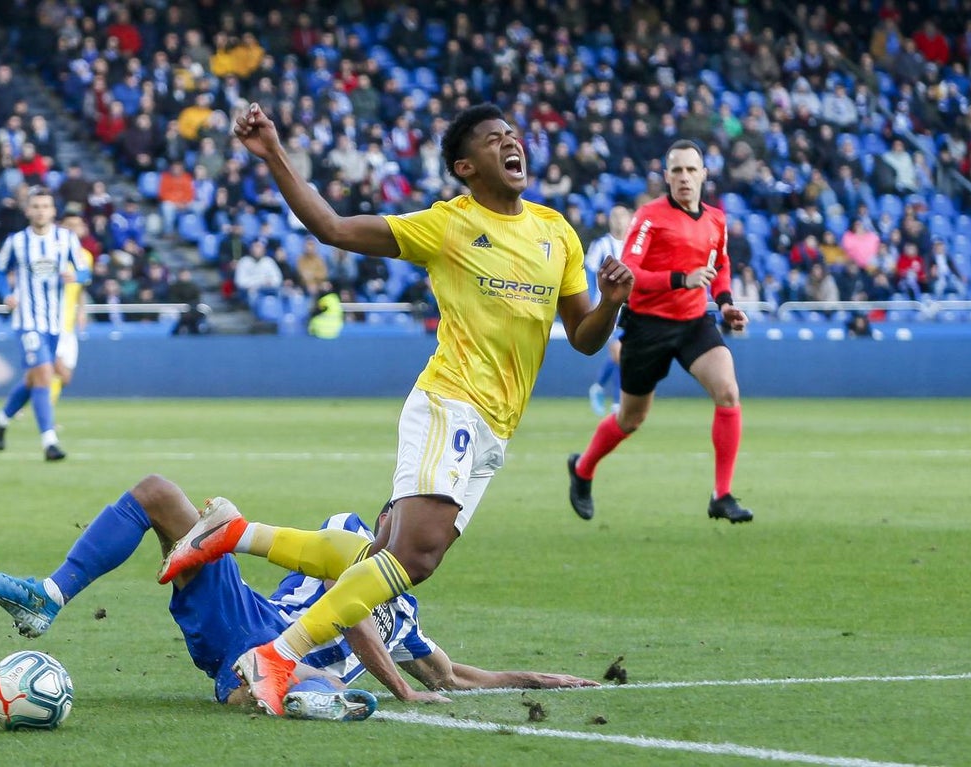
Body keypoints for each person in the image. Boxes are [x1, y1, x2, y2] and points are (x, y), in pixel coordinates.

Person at [155, 102, 633, 716]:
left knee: (385, 560)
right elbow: (330, 227)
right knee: (415, 555)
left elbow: (584, 334)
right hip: (449, 403)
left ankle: (238, 533)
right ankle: (277, 656)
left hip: (495, 429)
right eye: (494, 140)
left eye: (513, 135)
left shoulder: (556, 232)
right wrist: (274, 152)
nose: (512, 144)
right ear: (466, 166)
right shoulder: (447, 226)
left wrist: (612, 302)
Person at [0, 477, 599, 720]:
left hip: (274, 657)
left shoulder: (406, 614)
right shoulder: (350, 537)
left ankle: (291, 694)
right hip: (254, 616)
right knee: (159, 494)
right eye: (394, 521)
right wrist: (402, 690)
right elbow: (352, 618)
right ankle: (47, 595)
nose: (396, 534)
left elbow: (457, 676)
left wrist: (537, 678)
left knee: (279, 679)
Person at [567, 139, 753, 524]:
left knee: (728, 392)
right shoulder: (650, 216)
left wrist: (726, 301)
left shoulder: (716, 219)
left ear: (704, 174)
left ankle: (722, 494)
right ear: (666, 176)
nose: (684, 177)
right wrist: (681, 279)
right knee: (631, 419)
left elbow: (722, 264)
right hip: (647, 327)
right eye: (677, 170)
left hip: (693, 323)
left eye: (691, 169)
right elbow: (629, 274)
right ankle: (583, 468)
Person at [0, 187, 90, 461]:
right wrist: (6, 294)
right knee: (45, 374)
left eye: (45, 206)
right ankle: (50, 442)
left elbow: (84, 269)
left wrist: (76, 276)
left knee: (35, 379)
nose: (41, 211)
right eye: (36, 206)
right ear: (28, 210)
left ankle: (1, 418)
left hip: (55, 323)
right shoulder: (17, 241)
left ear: (53, 211)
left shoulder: (66, 239)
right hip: (27, 321)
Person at [584, 205, 632, 422]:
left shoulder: (634, 244)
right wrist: (594, 303)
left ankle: (598, 386)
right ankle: (617, 405)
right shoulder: (601, 245)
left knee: (624, 355)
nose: (619, 221)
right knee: (618, 354)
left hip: (630, 309)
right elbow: (589, 272)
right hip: (607, 307)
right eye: (615, 217)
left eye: (623, 217)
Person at [51, 209, 95, 406]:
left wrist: (82, 311)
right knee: (56, 370)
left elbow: (81, 288)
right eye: (69, 226)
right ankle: (41, 411)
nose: (73, 230)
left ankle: (34, 406)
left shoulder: (86, 257)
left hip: (70, 323)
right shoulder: (52, 253)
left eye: (77, 226)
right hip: (52, 320)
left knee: (65, 373)